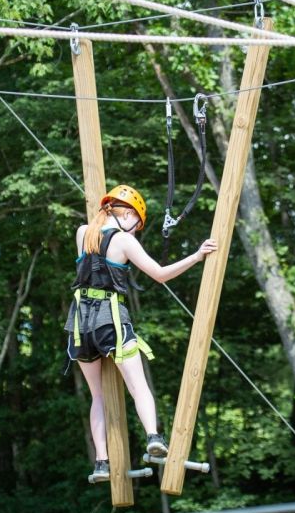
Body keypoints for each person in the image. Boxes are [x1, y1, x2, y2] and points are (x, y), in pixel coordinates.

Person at [65, 184, 217, 479]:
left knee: (98, 396)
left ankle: (101, 463)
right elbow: (159, 275)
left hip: (79, 323)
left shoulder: (83, 232)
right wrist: (196, 257)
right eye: (138, 225)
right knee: (138, 385)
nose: (136, 231)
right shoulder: (124, 241)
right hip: (109, 320)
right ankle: (154, 438)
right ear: (130, 215)